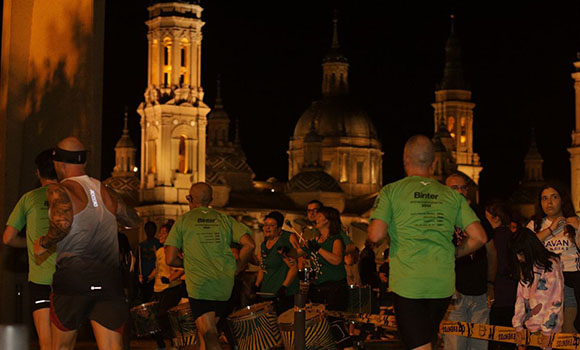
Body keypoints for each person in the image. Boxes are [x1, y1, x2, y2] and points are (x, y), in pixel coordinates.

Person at [368, 135, 487, 350]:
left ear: (405, 160)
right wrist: (454, 252)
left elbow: (375, 235)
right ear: (433, 163)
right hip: (441, 284)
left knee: (420, 346)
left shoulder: (391, 191)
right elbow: (479, 237)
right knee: (425, 341)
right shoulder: (452, 196)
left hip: (408, 282)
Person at [32, 136, 141, 350]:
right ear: (84, 162)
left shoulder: (60, 190)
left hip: (74, 280)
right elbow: (133, 219)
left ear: (59, 164)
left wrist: (43, 243)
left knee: (61, 347)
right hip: (108, 281)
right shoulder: (106, 191)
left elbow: (62, 224)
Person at [165, 182, 255, 350]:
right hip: (224, 285)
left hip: (201, 285)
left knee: (209, 333)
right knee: (204, 335)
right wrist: (238, 267)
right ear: (211, 200)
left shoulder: (184, 221)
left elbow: (170, 259)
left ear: (190, 199)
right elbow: (249, 245)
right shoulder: (224, 219)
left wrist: (188, 263)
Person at [2, 149, 58, 350]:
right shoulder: (71, 197)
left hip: (40, 279)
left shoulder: (29, 198)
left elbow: (7, 238)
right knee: (64, 343)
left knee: (46, 342)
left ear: (38, 172)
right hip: (68, 278)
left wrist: (31, 242)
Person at [444, 172, 498, 350]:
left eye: (463, 187)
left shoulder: (478, 215)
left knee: (479, 345)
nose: (460, 191)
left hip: (480, 293)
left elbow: (491, 251)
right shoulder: (441, 218)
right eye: (454, 188)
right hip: (455, 295)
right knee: (455, 345)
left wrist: (490, 283)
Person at [527, 182, 580, 332]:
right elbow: (525, 247)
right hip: (545, 284)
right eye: (544, 198)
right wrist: (551, 229)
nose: (549, 202)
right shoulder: (535, 225)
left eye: (554, 197)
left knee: (570, 329)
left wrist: (578, 228)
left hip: (570, 280)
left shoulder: (574, 222)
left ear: (562, 199)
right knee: (546, 330)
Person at [304, 206, 354, 350]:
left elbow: (337, 260)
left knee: (334, 322)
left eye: (319, 216)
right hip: (318, 287)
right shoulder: (315, 239)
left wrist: (318, 248)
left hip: (335, 287)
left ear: (328, 220)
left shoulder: (336, 239)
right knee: (319, 325)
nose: (315, 218)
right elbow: (299, 253)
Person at [511, 228, 564, 350]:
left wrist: (547, 331)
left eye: (521, 253)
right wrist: (518, 326)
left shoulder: (551, 265)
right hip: (528, 330)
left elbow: (556, 300)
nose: (519, 258)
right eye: (517, 254)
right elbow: (520, 299)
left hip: (549, 332)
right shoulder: (524, 268)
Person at [485, 200, 517, 350]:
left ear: (496, 218)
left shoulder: (493, 240)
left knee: (491, 339)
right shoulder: (514, 237)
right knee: (508, 341)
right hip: (513, 297)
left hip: (497, 296)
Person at [254, 211, 299, 314]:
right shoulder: (264, 245)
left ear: (279, 228)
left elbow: (293, 268)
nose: (267, 228)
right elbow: (262, 267)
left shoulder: (282, 245)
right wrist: (256, 285)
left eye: (271, 225)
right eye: (265, 225)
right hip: (266, 293)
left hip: (282, 295)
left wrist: (284, 287)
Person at [153, 219, 184, 348]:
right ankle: (163, 345)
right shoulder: (160, 251)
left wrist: (170, 278)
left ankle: (175, 342)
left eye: (163, 233)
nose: (160, 235)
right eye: (160, 233)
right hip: (159, 289)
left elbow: (182, 268)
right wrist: (147, 277)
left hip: (173, 288)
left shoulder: (176, 250)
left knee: (163, 316)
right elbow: (158, 269)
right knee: (154, 317)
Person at [138, 221, 162, 303]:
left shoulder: (159, 244)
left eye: (151, 229)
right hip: (144, 276)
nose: (149, 231)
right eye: (147, 229)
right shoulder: (141, 245)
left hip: (156, 276)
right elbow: (138, 261)